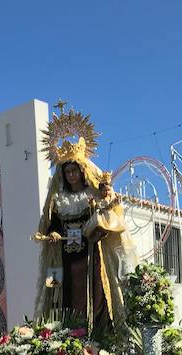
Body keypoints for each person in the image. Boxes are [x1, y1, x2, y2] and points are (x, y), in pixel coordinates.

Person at [33, 110, 137, 330]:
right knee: (63, 295)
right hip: (64, 259)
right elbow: (51, 223)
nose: (71, 175)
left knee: (96, 294)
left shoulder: (93, 195)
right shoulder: (58, 199)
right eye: (67, 171)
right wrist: (51, 234)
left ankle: (97, 337)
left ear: (82, 171)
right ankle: (66, 338)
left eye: (74, 170)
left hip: (90, 256)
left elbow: (110, 215)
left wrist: (104, 203)